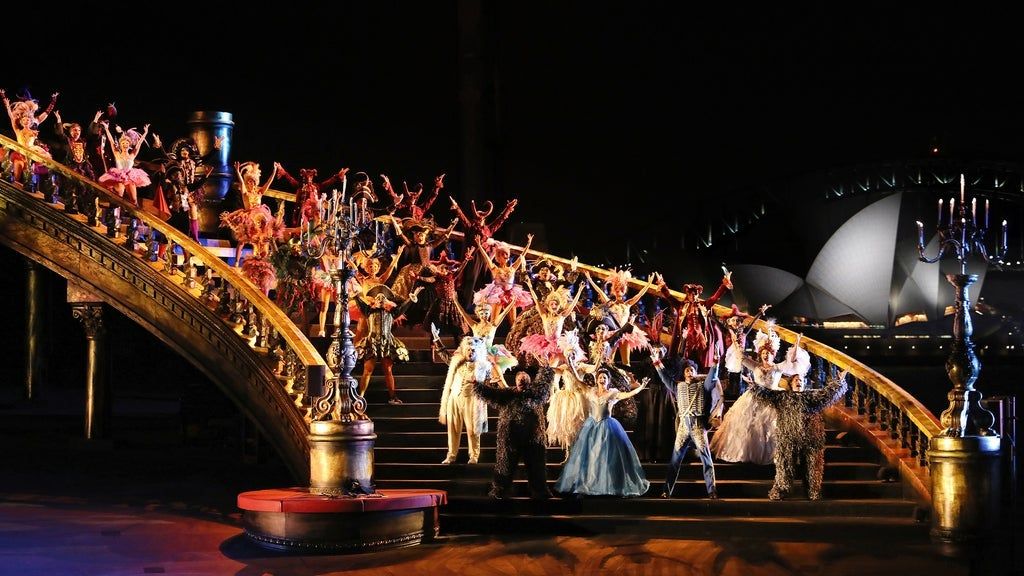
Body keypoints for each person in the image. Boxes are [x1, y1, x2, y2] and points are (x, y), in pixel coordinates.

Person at [749, 366, 849, 500]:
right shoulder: (783, 397)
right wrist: (754, 386)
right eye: (796, 380)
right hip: (788, 438)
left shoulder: (811, 396)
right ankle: (782, 489)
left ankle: (813, 491)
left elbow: (827, 393)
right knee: (785, 465)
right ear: (791, 383)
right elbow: (766, 394)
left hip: (811, 438)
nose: (799, 382)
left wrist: (839, 381)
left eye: (801, 380)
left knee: (812, 466)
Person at [554, 368, 650, 497]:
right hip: (592, 426)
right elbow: (578, 380)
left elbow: (628, 394)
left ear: (608, 380)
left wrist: (641, 387)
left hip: (607, 426)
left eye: (605, 377)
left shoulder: (612, 393)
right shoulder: (591, 391)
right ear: (596, 379)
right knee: (590, 456)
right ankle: (587, 484)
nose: (602, 379)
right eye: (600, 377)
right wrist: (571, 365)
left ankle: (609, 485)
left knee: (606, 457)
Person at [651, 350, 724, 499]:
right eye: (687, 370)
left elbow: (712, 378)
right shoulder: (678, 387)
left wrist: (716, 362)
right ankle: (666, 491)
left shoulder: (703, 386)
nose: (690, 373)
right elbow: (665, 378)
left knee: (706, 459)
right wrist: (657, 362)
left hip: (698, 425)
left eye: (692, 370)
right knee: (675, 460)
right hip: (684, 427)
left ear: (695, 372)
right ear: (684, 374)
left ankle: (712, 490)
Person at [475, 368, 554, 499]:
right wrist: (477, 385)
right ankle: (500, 490)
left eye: (524, 380)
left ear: (529, 382)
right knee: (505, 466)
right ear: (516, 381)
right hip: (510, 438)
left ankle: (540, 491)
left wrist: (546, 369)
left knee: (536, 466)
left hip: (532, 438)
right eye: (519, 380)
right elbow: (491, 394)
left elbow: (544, 384)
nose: (522, 382)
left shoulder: (535, 394)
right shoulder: (508, 394)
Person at [355, 284, 423, 405]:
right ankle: (360, 397)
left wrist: (412, 297)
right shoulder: (369, 311)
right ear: (375, 300)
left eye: (383, 298)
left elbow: (403, 307)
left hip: (386, 342)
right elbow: (360, 303)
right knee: (368, 370)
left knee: (388, 370)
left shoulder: (392, 312)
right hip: (372, 342)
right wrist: (356, 295)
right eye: (378, 298)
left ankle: (393, 397)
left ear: (386, 301)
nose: (381, 300)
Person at [653, 270, 732, 369]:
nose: (693, 296)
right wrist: (663, 286)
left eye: (695, 294)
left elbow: (715, 298)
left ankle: (703, 372)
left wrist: (724, 285)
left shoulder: (703, 305)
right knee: (685, 359)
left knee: (702, 359)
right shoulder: (682, 306)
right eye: (691, 294)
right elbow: (670, 297)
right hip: (688, 336)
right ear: (687, 294)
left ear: (698, 294)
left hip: (700, 336)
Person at [451, 195, 518, 301]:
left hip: (484, 256)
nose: (479, 220)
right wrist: (457, 208)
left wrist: (508, 209)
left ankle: (482, 303)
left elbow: (499, 221)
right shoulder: (471, 228)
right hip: (473, 256)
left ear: (484, 219)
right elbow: (463, 218)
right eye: (477, 218)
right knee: (471, 279)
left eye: (481, 218)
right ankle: (466, 302)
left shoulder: (488, 229)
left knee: (485, 279)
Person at [584, 269, 656, 366]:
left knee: (626, 362)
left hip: (625, 333)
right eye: (617, 290)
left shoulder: (627, 304)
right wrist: (590, 279)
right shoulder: (610, 303)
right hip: (614, 333)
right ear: (614, 291)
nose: (619, 292)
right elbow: (600, 291)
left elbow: (640, 295)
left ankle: (627, 374)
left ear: (624, 291)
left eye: (621, 290)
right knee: (609, 360)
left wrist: (649, 284)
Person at [439, 336, 493, 464]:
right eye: (468, 350)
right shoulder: (457, 362)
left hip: (471, 399)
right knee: (453, 428)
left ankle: (474, 455)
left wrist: (480, 383)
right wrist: (437, 340)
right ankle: (451, 455)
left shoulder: (483, 366)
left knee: (473, 428)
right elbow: (445, 356)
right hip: (455, 397)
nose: (470, 352)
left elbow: (488, 383)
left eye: (473, 350)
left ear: (477, 351)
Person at [220, 161, 280, 266]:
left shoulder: (259, 192)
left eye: (252, 182)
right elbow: (241, 183)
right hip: (249, 218)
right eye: (249, 182)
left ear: (255, 183)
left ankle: (260, 260)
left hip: (260, 218)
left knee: (262, 239)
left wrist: (274, 171)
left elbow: (268, 183)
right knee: (242, 240)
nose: (250, 184)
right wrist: (238, 172)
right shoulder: (245, 193)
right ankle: (237, 261)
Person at [472, 236, 534, 329]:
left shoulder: (512, 268)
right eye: (502, 254)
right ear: (498, 256)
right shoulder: (495, 268)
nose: (505, 256)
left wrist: (528, 244)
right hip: (498, 295)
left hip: (510, 294)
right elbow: (486, 257)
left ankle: (513, 337)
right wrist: (479, 245)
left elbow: (522, 255)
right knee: (494, 321)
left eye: (506, 254)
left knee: (513, 321)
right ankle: (489, 335)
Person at [1, 89, 58, 186]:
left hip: (32, 150)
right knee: (18, 170)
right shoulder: (19, 126)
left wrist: (53, 100)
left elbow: (47, 112)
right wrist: (6, 102)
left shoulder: (36, 120)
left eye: (32, 109)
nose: (30, 111)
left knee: (32, 172)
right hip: (21, 151)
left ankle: (42, 184)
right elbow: (12, 117)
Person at [275, 163, 348, 228]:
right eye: (307, 176)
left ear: (313, 177)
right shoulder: (301, 186)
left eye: (310, 176)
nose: (309, 178)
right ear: (304, 177)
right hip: (302, 213)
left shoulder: (316, 187)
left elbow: (328, 182)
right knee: (301, 227)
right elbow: (290, 179)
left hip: (314, 213)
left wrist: (337, 176)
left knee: (315, 226)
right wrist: (283, 172)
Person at [98, 121, 151, 206]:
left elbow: (139, 144)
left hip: (130, 177)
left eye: (127, 143)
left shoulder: (132, 155)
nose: (125, 144)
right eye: (123, 143)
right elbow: (111, 141)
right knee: (119, 195)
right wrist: (107, 129)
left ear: (129, 145)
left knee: (134, 200)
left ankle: (135, 213)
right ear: (120, 145)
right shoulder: (117, 154)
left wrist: (145, 133)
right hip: (118, 177)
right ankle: (114, 210)